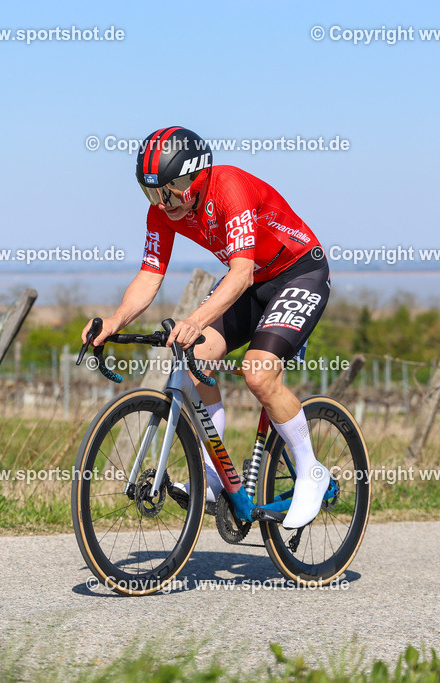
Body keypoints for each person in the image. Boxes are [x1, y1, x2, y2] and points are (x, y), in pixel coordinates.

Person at [81, 126, 332, 529]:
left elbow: (241, 272)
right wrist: (114, 321)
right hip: (252, 280)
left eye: (170, 191)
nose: (162, 203)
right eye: (152, 193)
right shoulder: (162, 213)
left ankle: (311, 472)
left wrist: (195, 319)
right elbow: (149, 275)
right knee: (195, 357)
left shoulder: (229, 188)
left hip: (298, 272)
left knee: (258, 373)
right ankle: (215, 475)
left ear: (196, 177)